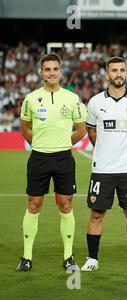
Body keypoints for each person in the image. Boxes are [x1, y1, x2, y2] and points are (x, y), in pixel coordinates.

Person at [17, 53, 87, 272]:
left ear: (60, 71)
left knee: (65, 205)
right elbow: (25, 127)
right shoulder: (31, 98)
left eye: (55, 69)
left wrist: (64, 143)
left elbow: (81, 129)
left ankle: (68, 256)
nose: (51, 73)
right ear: (41, 72)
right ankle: (27, 256)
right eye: (47, 69)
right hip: (38, 157)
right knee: (33, 204)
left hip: (63, 158)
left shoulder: (72, 98)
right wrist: (39, 143)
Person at [81, 56, 127, 272]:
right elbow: (91, 131)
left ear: (126, 74)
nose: (118, 74)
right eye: (114, 70)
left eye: (122, 70)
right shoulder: (95, 102)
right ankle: (92, 259)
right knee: (96, 214)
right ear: (107, 74)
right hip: (102, 170)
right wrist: (104, 149)